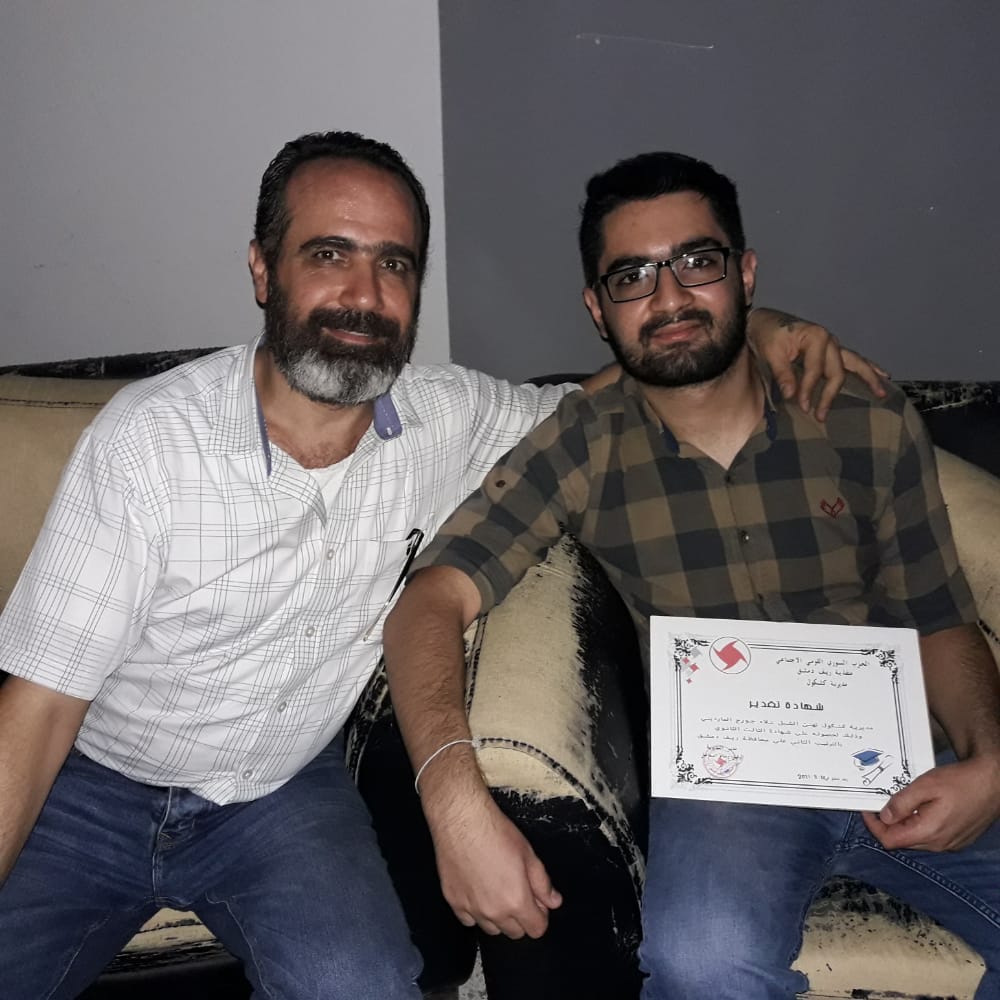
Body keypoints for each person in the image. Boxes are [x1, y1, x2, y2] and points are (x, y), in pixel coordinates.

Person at [0, 130, 876, 999]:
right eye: (329, 255)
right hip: (90, 784)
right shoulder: (147, 443)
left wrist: (758, 327)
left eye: (395, 264)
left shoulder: (445, 415)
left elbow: (591, 402)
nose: (364, 294)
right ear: (264, 270)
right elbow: (35, 715)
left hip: (277, 794)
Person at [383, 151, 1000, 999]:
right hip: (729, 784)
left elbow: (939, 614)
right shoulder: (583, 441)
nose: (669, 297)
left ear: (744, 273)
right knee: (701, 959)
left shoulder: (863, 416)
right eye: (633, 276)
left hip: (904, 752)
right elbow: (429, 598)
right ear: (598, 309)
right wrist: (455, 807)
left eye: (696, 262)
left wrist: (991, 761)